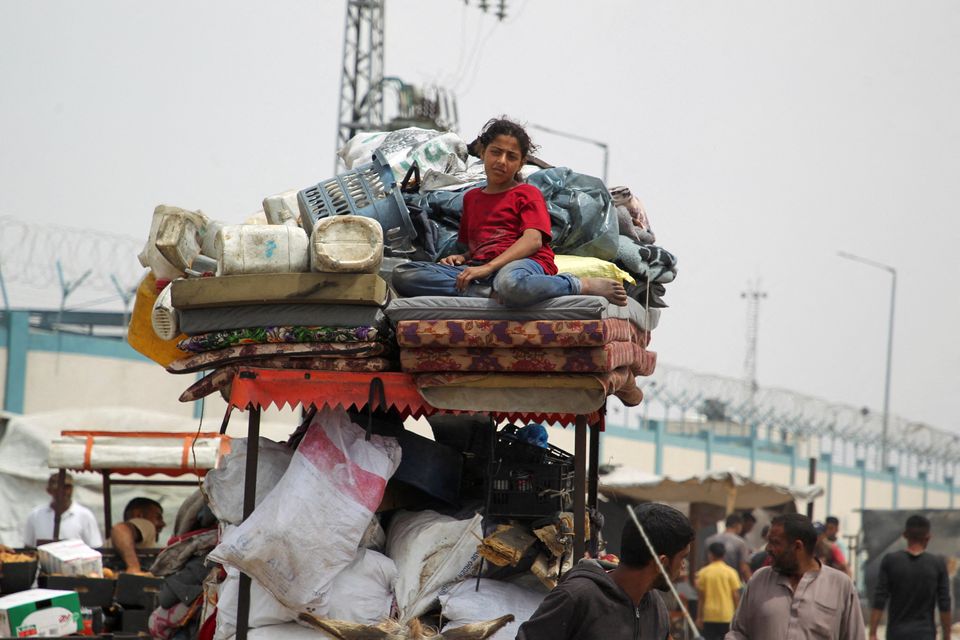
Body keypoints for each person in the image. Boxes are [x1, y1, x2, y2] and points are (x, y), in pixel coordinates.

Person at [391, 117, 628, 308]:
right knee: (404, 274)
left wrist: (488, 268)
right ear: (483, 152)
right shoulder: (472, 198)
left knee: (510, 283)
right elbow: (473, 248)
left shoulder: (527, 193)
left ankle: (577, 285)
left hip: (523, 264)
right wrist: (461, 259)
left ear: (521, 163)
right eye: (496, 152)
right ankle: (486, 292)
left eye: (511, 157)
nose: (501, 161)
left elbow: (533, 241)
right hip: (484, 270)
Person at [517, 502, 695, 640]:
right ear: (661, 562)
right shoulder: (577, 596)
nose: (683, 566)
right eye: (682, 558)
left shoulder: (655, 605)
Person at [726, 513, 865, 640]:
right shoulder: (759, 579)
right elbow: (738, 632)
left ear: (798, 546)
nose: (768, 548)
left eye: (775, 543)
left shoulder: (840, 585)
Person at [869, 514, 951, 640]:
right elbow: (944, 602)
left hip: (896, 633)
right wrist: (947, 635)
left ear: (905, 535)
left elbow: (880, 598)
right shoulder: (937, 564)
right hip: (925, 634)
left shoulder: (891, 561)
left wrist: (872, 633)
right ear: (928, 537)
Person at [23, 473, 102, 548]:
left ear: (72, 489)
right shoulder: (35, 515)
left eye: (67, 487)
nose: (63, 492)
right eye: (58, 488)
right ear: (49, 490)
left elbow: (95, 548)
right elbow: (28, 549)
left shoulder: (85, 515)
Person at [696, 541, 742, 640]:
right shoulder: (731, 572)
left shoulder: (703, 573)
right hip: (727, 615)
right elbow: (736, 596)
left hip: (709, 616)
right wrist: (738, 616)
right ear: (724, 554)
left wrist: (699, 617)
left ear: (710, 554)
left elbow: (701, 597)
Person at [109, 497, 166, 573]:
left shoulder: (150, 542)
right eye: (158, 518)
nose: (163, 524)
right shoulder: (147, 525)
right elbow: (120, 529)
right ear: (139, 516)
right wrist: (133, 567)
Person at [705, 513, 752, 582]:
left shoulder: (709, 540)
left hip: (711, 582)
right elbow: (744, 568)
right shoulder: (740, 543)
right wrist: (750, 585)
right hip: (732, 583)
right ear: (737, 525)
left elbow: (705, 563)